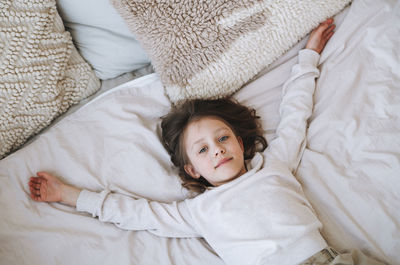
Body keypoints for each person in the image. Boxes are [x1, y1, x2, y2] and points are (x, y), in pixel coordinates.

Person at [28, 19, 382, 265]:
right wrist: (68, 194)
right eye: (202, 150)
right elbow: (134, 213)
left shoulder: (274, 165)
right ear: (192, 170)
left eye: (223, 137)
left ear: (242, 144)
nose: (217, 149)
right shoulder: (196, 213)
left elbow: (295, 113)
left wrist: (310, 54)